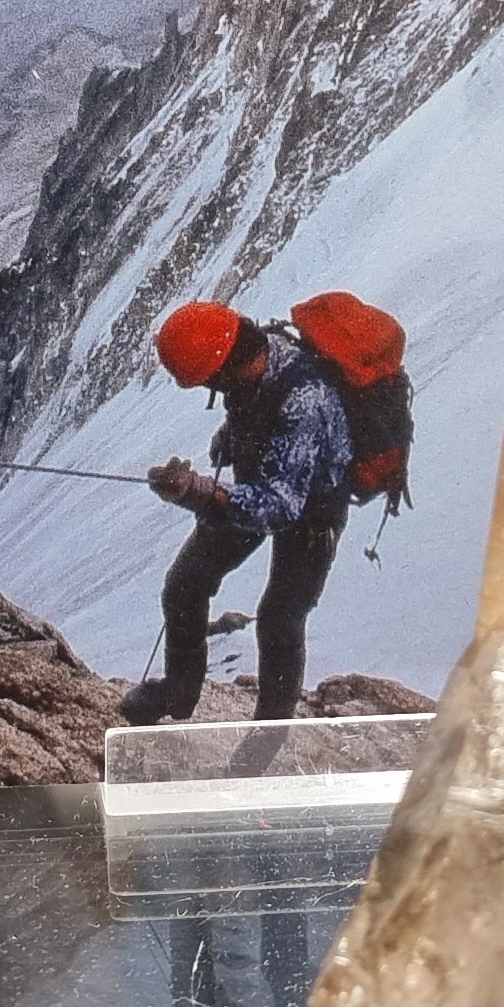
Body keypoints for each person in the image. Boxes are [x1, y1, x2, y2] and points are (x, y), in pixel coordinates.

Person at [129, 300, 357, 724]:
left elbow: (279, 506)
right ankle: (178, 694)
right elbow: (254, 409)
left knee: (279, 620)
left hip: (312, 513)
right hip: (257, 487)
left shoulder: (305, 399)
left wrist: (200, 492)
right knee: (184, 584)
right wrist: (231, 437)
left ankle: (269, 731)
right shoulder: (251, 360)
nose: (209, 388)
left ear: (222, 369)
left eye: (207, 381)